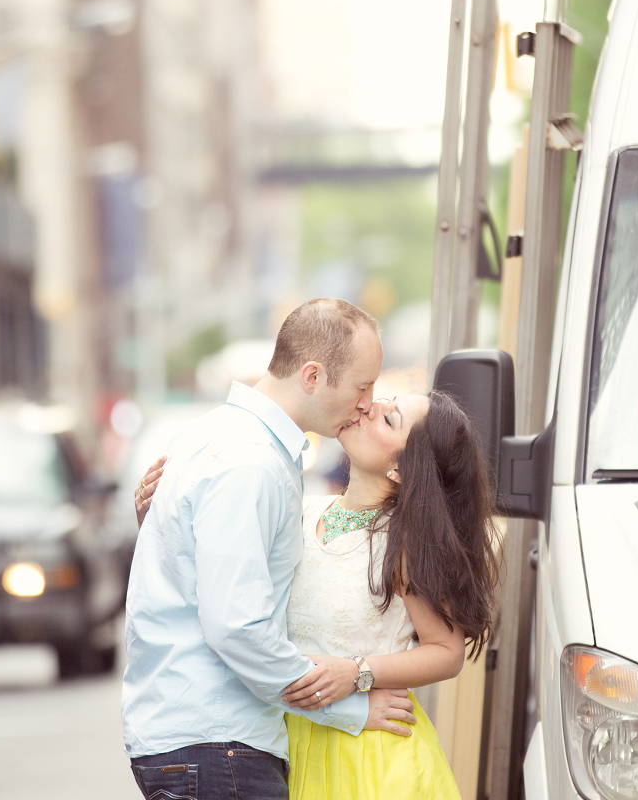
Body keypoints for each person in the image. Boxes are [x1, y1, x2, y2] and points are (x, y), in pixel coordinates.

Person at [136, 385, 500, 800]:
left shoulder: (405, 542)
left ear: (401, 468)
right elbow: (228, 586)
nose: (369, 406)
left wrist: (359, 672)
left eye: (389, 417)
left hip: (369, 753)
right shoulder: (301, 508)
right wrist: (164, 519)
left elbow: (446, 651)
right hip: (284, 737)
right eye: (385, 400)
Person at [123, 298, 417, 800]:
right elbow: (237, 627)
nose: (367, 403)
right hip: (216, 744)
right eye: (361, 387)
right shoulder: (250, 463)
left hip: (201, 743)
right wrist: (349, 708)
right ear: (312, 375)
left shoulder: (219, 438)